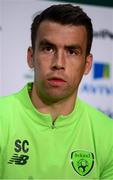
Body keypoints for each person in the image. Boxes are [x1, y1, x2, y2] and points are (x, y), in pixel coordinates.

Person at [0, 3, 113, 179]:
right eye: (48, 48)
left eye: (72, 52)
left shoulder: (108, 135)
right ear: (31, 57)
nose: (59, 63)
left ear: (87, 64)